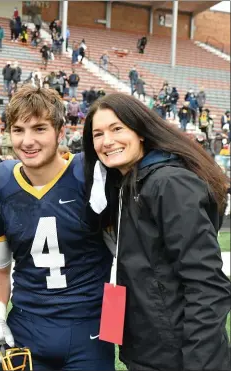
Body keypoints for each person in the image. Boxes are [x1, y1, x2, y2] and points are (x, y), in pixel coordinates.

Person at [82, 93, 231, 371]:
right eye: (98, 134)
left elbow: (206, 284)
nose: (107, 141)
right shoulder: (127, 182)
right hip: (147, 350)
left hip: (180, 357)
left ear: (140, 131)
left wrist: (200, 363)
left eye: (117, 129)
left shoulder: (169, 183)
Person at [0, 85, 115, 371]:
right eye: (18, 130)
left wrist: (113, 329)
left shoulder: (90, 174)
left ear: (60, 132)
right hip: (28, 326)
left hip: (88, 328)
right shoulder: (0, 183)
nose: (27, 141)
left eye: (39, 129)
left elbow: (123, 259)